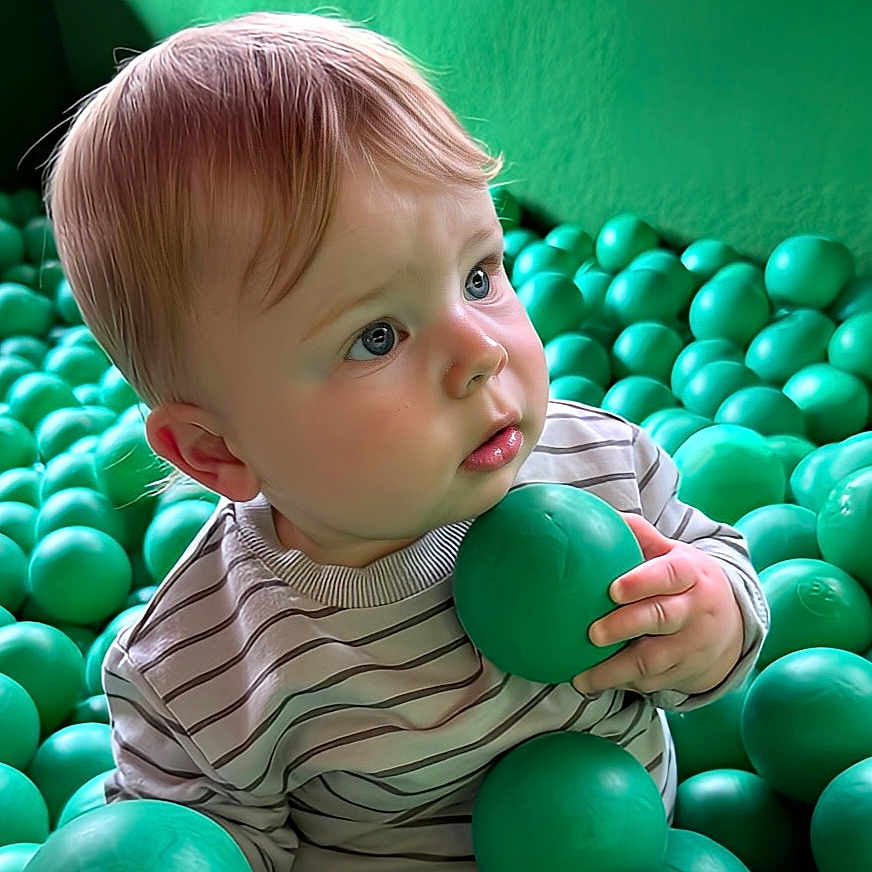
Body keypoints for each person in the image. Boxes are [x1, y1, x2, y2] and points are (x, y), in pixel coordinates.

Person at [45, 11, 769, 871]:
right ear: (217, 452)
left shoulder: (597, 466)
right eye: (378, 337)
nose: (482, 351)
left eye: (480, 275)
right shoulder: (207, 661)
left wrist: (710, 622)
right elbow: (208, 843)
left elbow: (714, 569)